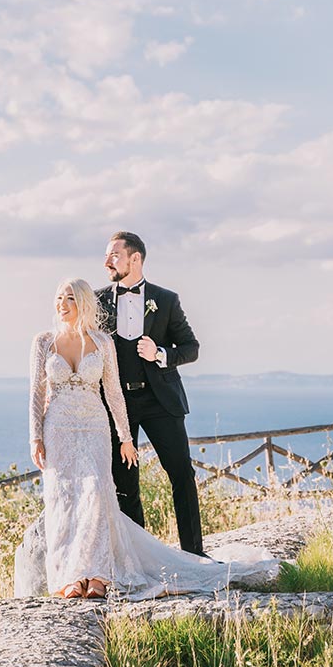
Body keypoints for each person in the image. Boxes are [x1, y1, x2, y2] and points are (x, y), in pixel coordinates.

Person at [21, 277, 274, 600]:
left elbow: (113, 393)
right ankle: (70, 575)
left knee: (97, 495)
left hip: (95, 427)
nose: (62, 304)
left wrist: (125, 437)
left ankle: (98, 574)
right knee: (63, 497)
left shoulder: (101, 342)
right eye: (58, 298)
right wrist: (35, 438)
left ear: (83, 303)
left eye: (69, 298)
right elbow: (36, 393)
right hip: (58, 428)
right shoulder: (43, 342)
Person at [96, 231, 205, 555]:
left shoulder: (166, 299)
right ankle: (138, 557)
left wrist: (160, 353)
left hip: (161, 401)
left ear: (135, 258)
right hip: (118, 404)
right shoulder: (99, 299)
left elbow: (191, 348)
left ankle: (194, 553)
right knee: (125, 483)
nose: (107, 262)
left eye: (114, 255)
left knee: (181, 474)